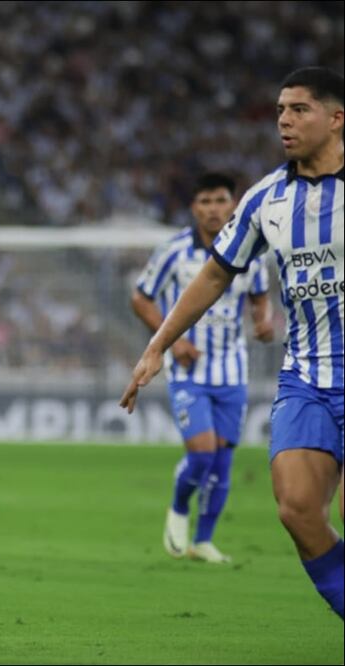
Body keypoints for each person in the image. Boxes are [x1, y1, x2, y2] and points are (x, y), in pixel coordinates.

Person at [122, 67, 343, 619]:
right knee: (296, 509)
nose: (284, 121)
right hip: (308, 378)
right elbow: (216, 275)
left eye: (299, 109)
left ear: (337, 118)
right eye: (280, 110)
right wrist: (158, 345)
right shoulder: (266, 198)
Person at [132, 173, 275, 563]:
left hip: (232, 370)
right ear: (194, 208)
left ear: (232, 204)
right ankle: (179, 508)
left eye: (220, 200)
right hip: (188, 371)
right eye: (205, 201)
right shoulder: (174, 251)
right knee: (201, 454)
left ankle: (204, 540)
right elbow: (141, 299)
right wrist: (173, 340)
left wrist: (264, 319)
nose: (213, 209)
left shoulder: (253, 251)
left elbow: (261, 298)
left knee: (223, 460)